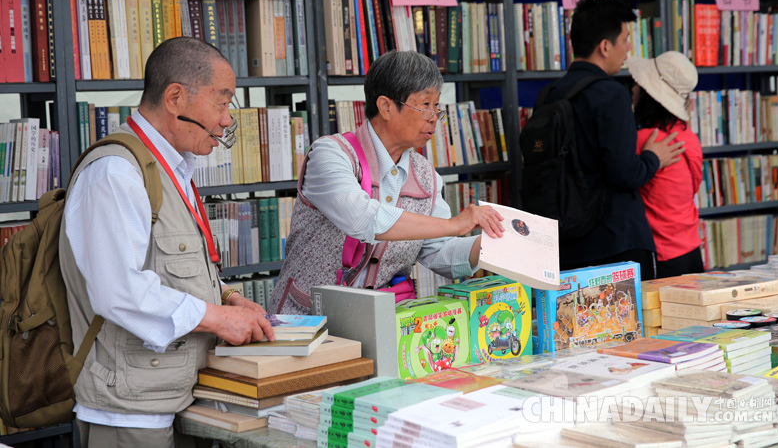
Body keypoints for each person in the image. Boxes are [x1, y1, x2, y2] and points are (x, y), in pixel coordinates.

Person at [59, 37, 274, 448]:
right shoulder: (115, 175)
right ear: (175, 97)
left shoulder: (168, 167)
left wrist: (225, 297)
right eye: (222, 102)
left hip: (175, 394)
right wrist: (217, 318)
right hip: (130, 408)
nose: (227, 120)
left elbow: (162, 268)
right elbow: (117, 291)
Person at [270, 50, 505, 314]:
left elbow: (438, 252)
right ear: (385, 107)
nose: (433, 116)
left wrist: (494, 245)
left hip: (375, 325)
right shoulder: (331, 154)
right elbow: (362, 218)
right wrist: (454, 224)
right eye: (424, 104)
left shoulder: (427, 176)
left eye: (436, 106)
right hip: (306, 324)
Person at [542, 0, 685, 281]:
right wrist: (653, 157)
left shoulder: (549, 94)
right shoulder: (611, 94)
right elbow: (624, 174)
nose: (629, 47)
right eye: (626, 39)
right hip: (614, 242)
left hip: (565, 243)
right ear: (605, 47)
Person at [629, 51, 704, 277]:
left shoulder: (644, 141)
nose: (633, 89)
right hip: (691, 250)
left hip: (661, 257)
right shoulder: (689, 136)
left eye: (638, 85)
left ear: (648, 95)